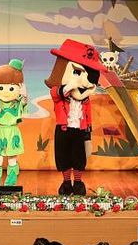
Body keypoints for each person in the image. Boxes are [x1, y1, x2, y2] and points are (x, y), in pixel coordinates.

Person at [45, 39, 106, 195]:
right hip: (63, 130)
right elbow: (56, 93)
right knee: (63, 156)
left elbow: (88, 116)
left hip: (79, 130)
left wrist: (88, 136)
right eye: (77, 72)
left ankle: (78, 182)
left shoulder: (85, 100)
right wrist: (69, 86)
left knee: (79, 158)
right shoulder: (60, 94)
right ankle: (66, 183)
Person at [0, 58, 28, 187]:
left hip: (12, 132)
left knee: (12, 160)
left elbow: (24, 103)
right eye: (1, 87)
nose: (5, 92)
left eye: (11, 88)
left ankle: (10, 184)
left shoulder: (17, 102)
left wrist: (24, 95)